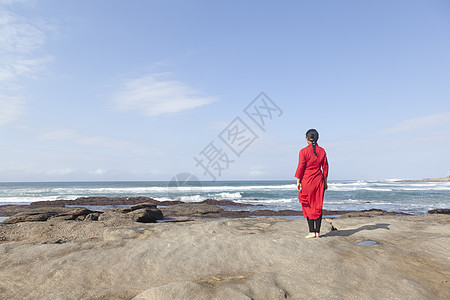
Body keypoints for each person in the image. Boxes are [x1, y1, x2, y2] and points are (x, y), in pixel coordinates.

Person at [295, 129, 329, 238]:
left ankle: (311, 231)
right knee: (318, 205)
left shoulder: (303, 151)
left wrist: (298, 181)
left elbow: (301, 167)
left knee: (307, 205)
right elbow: (325, 168)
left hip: (307, 181)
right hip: (319, 181)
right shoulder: (322, 151)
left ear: (307, 139)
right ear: (317, 138)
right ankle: (318, 232)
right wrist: (325, 182)